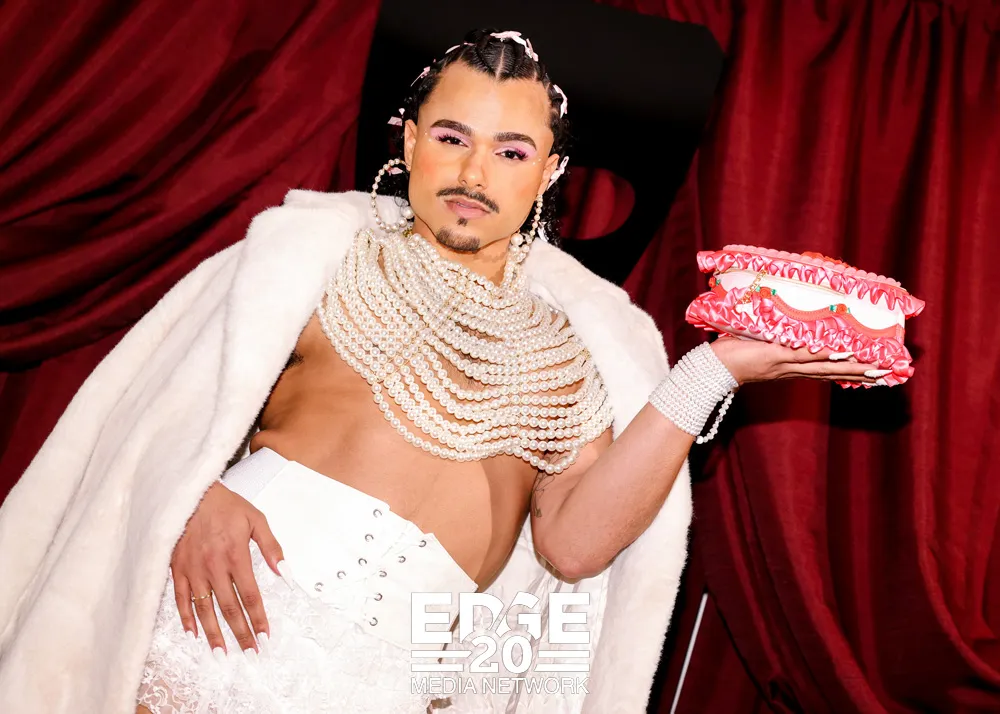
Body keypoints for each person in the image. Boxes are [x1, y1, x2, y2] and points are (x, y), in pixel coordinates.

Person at [0, 29, 883, 714]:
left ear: (550, 172)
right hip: (219, 626)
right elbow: (151, 416)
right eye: (453, 137)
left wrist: (711, 373)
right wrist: (191, 493)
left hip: (392, 682)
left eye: (511, 151)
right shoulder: (309, 260)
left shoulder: (576, 356)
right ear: (412, 139)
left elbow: (574, 549)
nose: (472, 171)